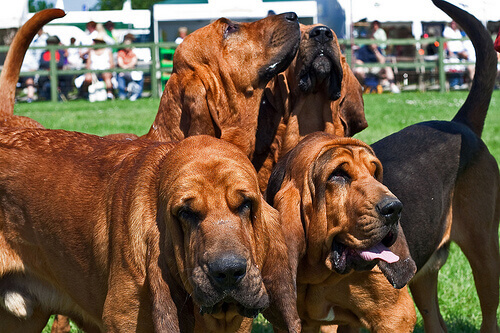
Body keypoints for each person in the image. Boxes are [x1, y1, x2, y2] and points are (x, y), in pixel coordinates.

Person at [18, 28, 48, 102]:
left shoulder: (44, 38)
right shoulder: (34, 41)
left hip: (34, 68)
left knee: (29, 80)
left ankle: (30, 98)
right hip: (22, 70)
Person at [82, 32, 115, 100]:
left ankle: (109, 93)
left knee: (107, 76)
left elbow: (111, 64)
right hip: (94, 71)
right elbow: (88, 64)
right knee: (87, 78)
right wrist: (89, 72)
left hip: (105, 70)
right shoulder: (91, 52)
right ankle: (85, 93)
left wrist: (108, 70)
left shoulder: (107, 51)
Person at [37, 35, 70, 100]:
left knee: (68, 76)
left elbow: (60, 63)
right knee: (41, 79)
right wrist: (54, 62)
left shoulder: (59, 53)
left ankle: (65, 94)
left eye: (53, 43)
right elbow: (42, 63)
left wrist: (50, 63)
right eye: (49, 43)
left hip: (58, 73)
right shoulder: (44, 53)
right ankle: (42, 96)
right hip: (47, 73)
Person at [116, 34, 143, 101]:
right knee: (121, 75)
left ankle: (138, 94)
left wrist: (127, 66)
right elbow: (120, 63)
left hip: (132, 71)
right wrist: (126, 67)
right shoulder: (121, 52)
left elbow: (134, 61)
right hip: (123, 71)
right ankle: (122, 94)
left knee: (139, 77)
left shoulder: (133, 52)